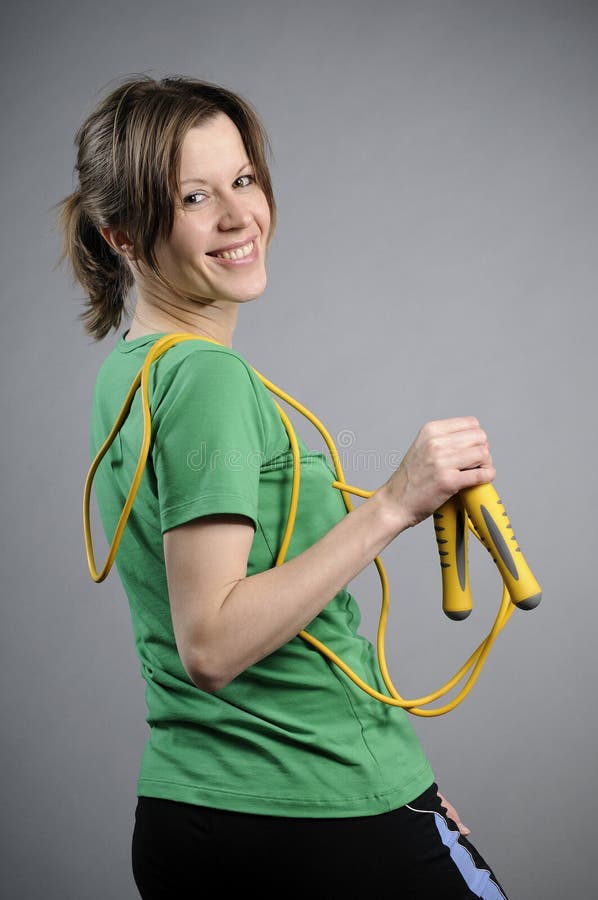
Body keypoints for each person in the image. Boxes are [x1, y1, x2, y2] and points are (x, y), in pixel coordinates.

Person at [59, 74, 509, 898]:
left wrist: (400, 790)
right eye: (194, 196)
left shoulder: (131, 370)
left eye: (243, 179)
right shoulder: (207, 379)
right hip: (313, 809)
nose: (238, 217)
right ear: (121, 233)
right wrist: (395, 503)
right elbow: (211, 644)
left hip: (196, 814)